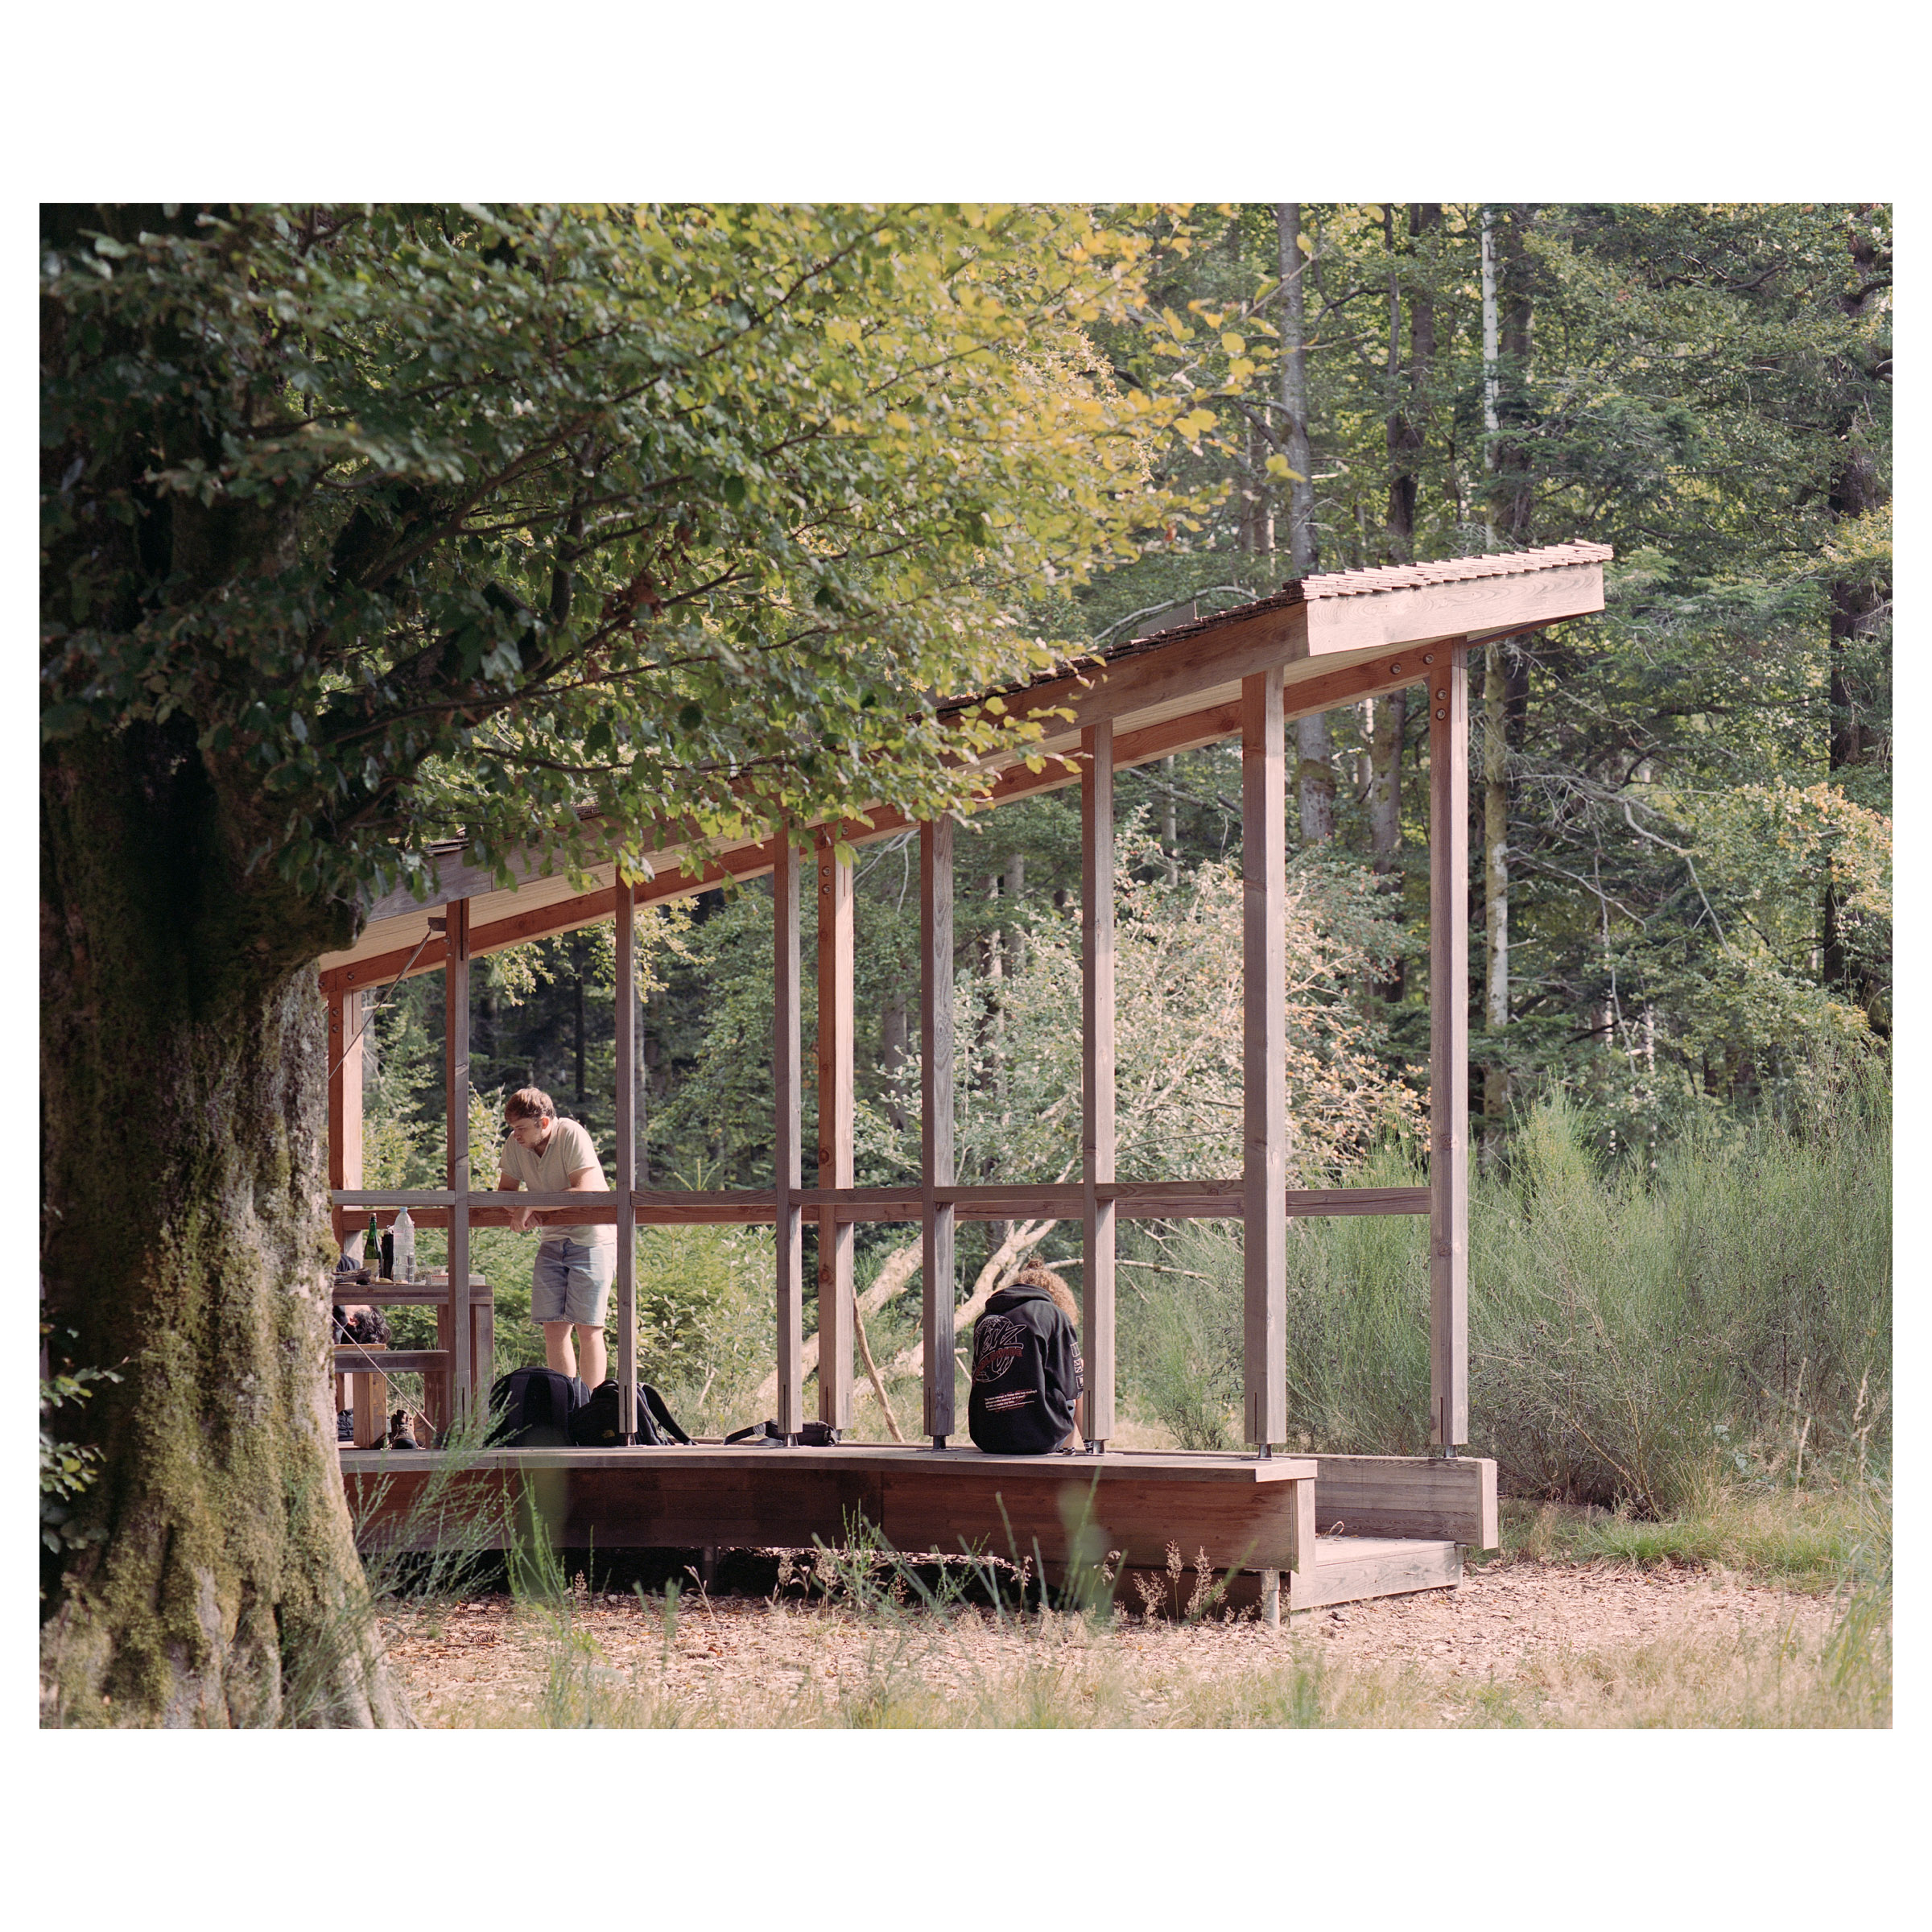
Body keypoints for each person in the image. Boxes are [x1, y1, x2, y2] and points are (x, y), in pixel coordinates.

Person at [494, 1087, 617, 1388]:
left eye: (522, 1128)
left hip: (592, 1240)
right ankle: (566, 1407)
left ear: (545, 1123)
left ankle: (591, 1408)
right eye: (513, 1128)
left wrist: (531, 1203)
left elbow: (587, 1190)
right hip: (551, 1241)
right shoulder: (515, 1143)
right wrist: (519, 1210)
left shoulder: (571, 1134)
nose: (517, 1135)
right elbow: (505, 1193)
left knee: (589, 1328)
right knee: (554, 1327)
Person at [967, 1259, 1084, 1455]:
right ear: (1056, 1294)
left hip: (987, 1438)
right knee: (1079, 1368)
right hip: (1039, 1438)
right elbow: (1070, 1385)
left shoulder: (985, 1319)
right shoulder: (1053, 1315)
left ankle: (1067, 1450)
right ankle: (1083, 1448)